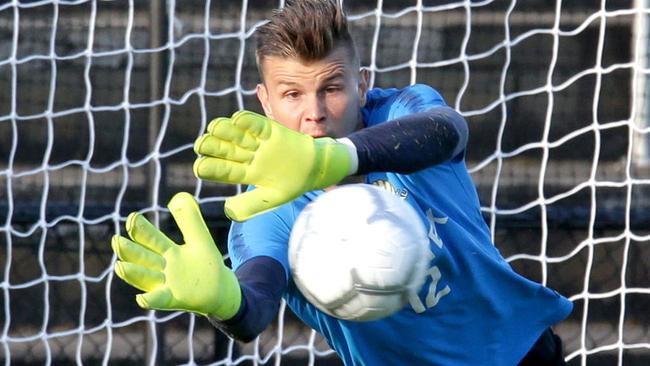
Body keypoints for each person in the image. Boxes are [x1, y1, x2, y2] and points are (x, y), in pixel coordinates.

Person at [111, 0, 573, 364]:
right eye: (292, 94)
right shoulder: (265, 213)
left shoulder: (403, 112)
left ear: (362, 84)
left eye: (331, 88)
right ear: (265, 102)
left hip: (524, 354)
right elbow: (256, 302)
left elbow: (448, 130)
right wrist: (226, 301)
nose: (313, 112)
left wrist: (333, 159)